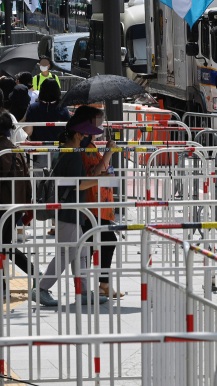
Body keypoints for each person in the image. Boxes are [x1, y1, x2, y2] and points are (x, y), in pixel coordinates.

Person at [35, 117, 108, 307]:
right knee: (66, 253)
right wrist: (101, 181)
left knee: (81, 251)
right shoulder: (73, 154)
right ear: (78, 135)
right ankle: (42, 289)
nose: (88, 139)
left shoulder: (64, 150)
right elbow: (78, 184)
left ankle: (83, 292)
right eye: (86, 135)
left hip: (70, 209)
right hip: (69, 210)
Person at [0, 109, 36, 297]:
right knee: (4, 244)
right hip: (17, 204)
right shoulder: (15, 148)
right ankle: (31, 275)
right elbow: (27, 178)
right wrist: (27, 203)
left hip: (0, 205)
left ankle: (3, 286)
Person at [76, 106, 124, 298]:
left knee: (103, 240)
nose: (100, 128)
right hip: (93, 203)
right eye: (97, 124)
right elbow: (94, 172)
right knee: (101, 241)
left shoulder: (90, 145)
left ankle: (98, 285)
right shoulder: (85, 147)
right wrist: (109, 153)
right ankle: (93, 285)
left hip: (100, 203)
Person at [24, 78, 71, 170]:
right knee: (57, 180)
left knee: (39, 180)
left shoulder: (33, 108)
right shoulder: (63, 108)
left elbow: (28, 131)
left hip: (39, 151)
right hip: (59, 150)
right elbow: (69, 129)